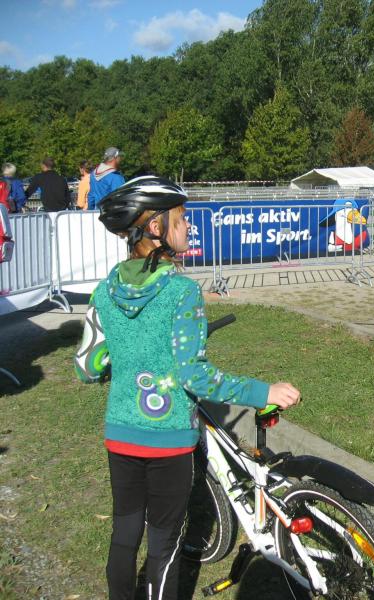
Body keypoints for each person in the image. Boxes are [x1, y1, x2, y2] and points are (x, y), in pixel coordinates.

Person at [73, 176, 302, 599]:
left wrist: (124, 359)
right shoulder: (181, 292)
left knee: (124, 532)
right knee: (164, 542)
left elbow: (87, 366)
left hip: (120, 433)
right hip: (168, 438)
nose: (189, 226)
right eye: (181, 219)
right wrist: (263, 392)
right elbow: (194, 376)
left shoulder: (105, 291)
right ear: (156, 228)